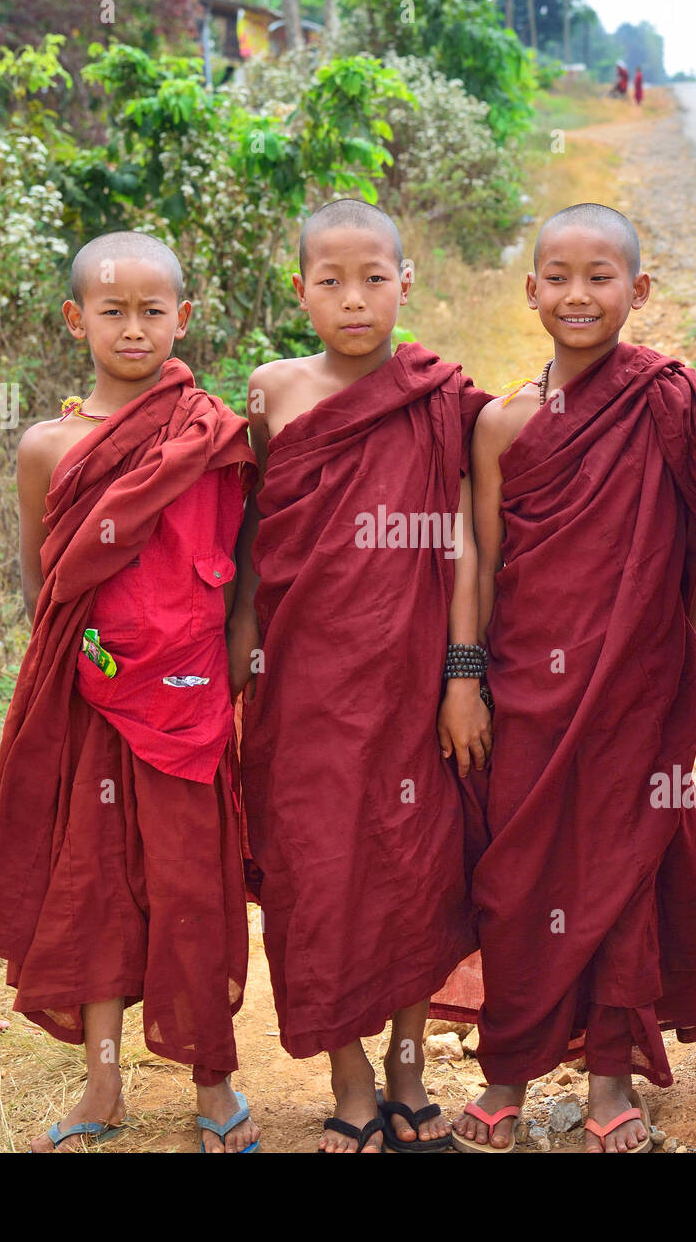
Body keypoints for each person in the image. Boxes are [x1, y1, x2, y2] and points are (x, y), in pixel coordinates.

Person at [446, 203, 696, 1153]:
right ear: (530, 291)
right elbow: (479, 563)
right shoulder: (502, 425)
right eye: (559, 278)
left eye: (600, 277)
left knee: (620, 872)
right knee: (521, 873)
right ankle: (508, 1071)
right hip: (526, 686)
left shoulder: (674, 400)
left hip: (638, 684)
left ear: (639, 291)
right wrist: (464, 679)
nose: (579, 295)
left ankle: (612, 1078)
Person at [0, 231, 261, 1154]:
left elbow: (247, 563)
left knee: (191, 886)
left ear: (185, 316)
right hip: (91, 699)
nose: (134, 329)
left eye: (152, 311)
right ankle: (103, 1087)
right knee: (92, 884)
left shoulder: (212, 432)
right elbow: (40, 585)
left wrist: (240, 645)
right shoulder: (48, 446)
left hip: (189, 696)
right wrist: (76, 675)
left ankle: (213, 1081)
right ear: (75, 318)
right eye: (111, 311)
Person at [230, 199, 492, 1153]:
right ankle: (347, 1074)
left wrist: (465, 674)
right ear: (298, 290)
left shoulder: (439, 394)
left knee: (416, 864)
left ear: (406, 283)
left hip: (414, 675)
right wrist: (243, 649)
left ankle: (409, 1063)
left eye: (373, 279)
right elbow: (254, 526)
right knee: (316, 867)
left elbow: (463, 540)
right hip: (303, 681)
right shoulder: (273, 391)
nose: (353, 299)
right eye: (330, 282)